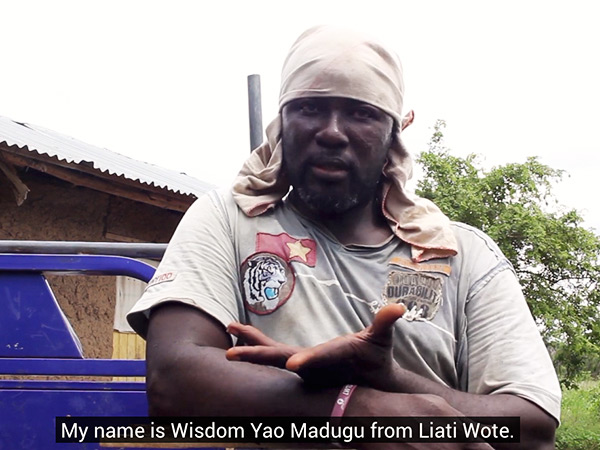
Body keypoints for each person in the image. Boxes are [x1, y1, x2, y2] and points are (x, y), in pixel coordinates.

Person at [127, 25, 561, 449]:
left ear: (394, 135)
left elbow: (533, 424)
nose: (332, 131)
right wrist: (353, 409)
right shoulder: (230, 220)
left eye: (361, 112)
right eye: (310, 108)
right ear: (282, 124)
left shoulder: (462, 253)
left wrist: (389, 377)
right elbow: (173, 382)